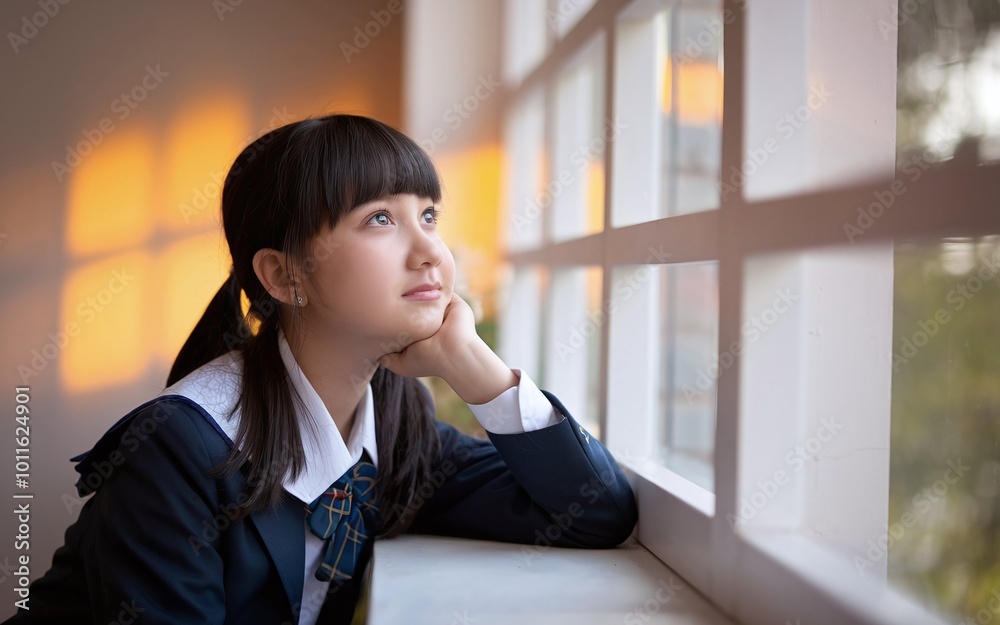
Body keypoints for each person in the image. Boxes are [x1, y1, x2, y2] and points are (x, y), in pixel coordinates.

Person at [6, 114, 637, 625]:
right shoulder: (177, 447)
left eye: (429, 215)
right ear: (284, 275)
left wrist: (469, 363)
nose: (431, 252)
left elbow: (595, 513)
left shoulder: (392, 420)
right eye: (380, 219)